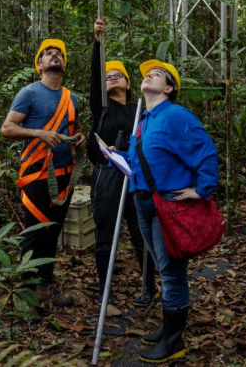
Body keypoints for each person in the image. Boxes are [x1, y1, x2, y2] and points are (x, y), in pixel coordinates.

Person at [125, 60, 218, 363]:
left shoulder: (177, 115)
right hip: (144, 202)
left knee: (171, 272)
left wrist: (201, 190)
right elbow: (143, 157)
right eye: (146, 73)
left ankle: (174, 340)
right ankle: (168, 327)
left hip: (169, 204)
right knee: (163, 268)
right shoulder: (144, 120)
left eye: (158, 74)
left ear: (168, 88)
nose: (148, 75)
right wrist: (118, 154)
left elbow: (206, 151)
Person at [0, 39, 87, 307]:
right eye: (48, 54)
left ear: (64, 64)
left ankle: (44, 287)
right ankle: (27, 292)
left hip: (64, 175)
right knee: (35, 231)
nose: (54, 56)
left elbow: (73, 128)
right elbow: (7, 128)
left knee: (53, 231)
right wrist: (38, 133)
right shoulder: (29, 93)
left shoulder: (71, 97)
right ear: (39, 65)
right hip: (36, 173)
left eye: (58, 53)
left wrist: (80, 137)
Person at [89, 19, 157, 306]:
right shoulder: (103, 108)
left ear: (128, 84)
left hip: (136, 177)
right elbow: (95, 79)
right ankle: (104, 289)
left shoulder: (140, 110)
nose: (112, 78)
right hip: (108, 177)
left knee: (141, 234)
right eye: (108, 76)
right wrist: (97, 43)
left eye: (118, 75)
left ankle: (149, 287)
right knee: (105, 235)